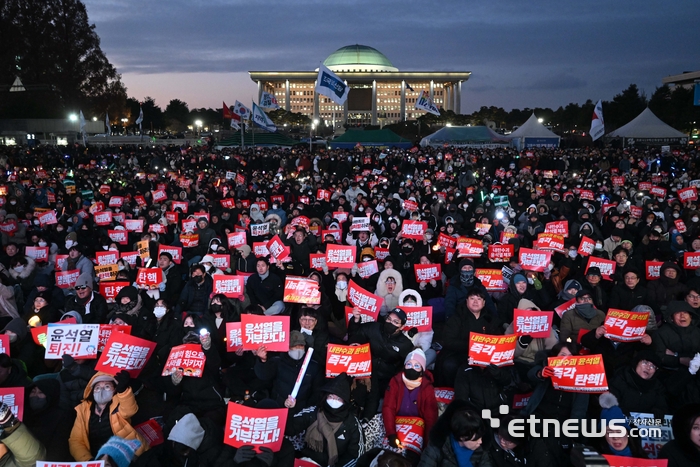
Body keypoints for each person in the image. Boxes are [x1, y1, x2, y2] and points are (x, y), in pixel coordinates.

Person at [286, 373, 364, 467]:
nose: (333, 400)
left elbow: (355, 455)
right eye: (331, 396)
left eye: (338, 398)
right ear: (325, 397)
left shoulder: (352, 423)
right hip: (309, 462)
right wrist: (290, 409)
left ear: (345, 401)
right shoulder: (313, 412)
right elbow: (289, 429)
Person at [348, 308, 413, 419]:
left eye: (395, 322)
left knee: (377, 394)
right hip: (366, 371)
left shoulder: (405, 344)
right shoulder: (374, 328)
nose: (390, 323)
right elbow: (355, 334)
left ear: (402, 327)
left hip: (386, 377)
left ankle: (367, 419)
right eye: (389, 319)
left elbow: (405, 366)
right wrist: (356, 320)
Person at [69, 371, 148, 461]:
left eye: (107, 386)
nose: (101, 390)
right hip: (96, 459)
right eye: (97, 387)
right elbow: (76, 441)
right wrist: (88, 461)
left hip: (127, 456)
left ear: (114, 390)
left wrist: (123, 390)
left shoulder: (119, 402)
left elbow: (129, 410)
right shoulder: (83, 410)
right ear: (92, 391)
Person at [383, 349, 438, 450]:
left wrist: (427, 444)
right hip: (395, 423)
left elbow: (431, 417)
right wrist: (391, 433)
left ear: (422, 370)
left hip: (417, 427)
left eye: (416, 366)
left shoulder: (427, 387)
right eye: (409, 364)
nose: (412, 368)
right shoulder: (395, 381)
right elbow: (388, 407)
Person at [254, 330, 320, 411]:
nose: (298, 349)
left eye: (301, 346)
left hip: (301, 410)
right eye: (294, 346)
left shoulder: (313, 366)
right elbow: (263, 375)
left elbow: (316, 391)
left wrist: (305, 407)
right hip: (279, 406)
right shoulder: (277, 361)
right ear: (288, 347)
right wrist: (262, 361)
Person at [418, 401, 492, 467]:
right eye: (476, 439)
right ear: (462, 437)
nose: (480, 442)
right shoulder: (437, 448)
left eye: (481, 437)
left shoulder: (480, 450)